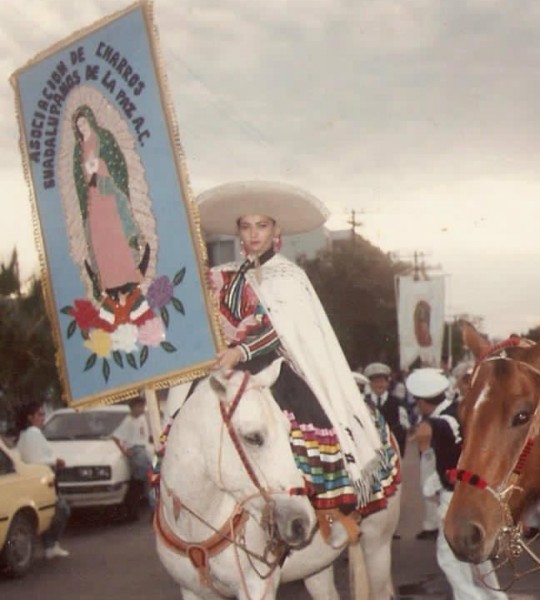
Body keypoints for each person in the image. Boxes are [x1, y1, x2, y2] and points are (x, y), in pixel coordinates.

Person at [197, 181, 399, 543]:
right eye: (246, 226)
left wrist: (240, 351)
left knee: (308, 418)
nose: (253, 234)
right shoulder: (224, 276)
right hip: (234, 370)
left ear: (276, 230)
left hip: (281, 366)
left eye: (261, 226)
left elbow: (281, 329)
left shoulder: (289, 276)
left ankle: (329, 510)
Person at [408, 368, 507, 600]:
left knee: (450, 559)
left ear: (423, 402)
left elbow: (435, 464)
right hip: (474, 493)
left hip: (453, 498)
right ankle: (497, 598)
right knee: (478, 558)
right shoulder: (459, 410)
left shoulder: (438, 423)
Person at [72, 104, 149, 301]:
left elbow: (117, 163)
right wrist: (88, 173)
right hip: (93, 197)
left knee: (116, 236)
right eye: (78, 125)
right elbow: (79, 177)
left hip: (108, 193)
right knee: (100, 239)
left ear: (89, 120)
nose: (82, 127)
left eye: (83, 122)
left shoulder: (103, 138)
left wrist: (99, 168)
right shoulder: (78, 148)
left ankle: (127, 276)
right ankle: (108, 282)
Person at [15, 401, 70, 559]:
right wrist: (56, 461)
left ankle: (50, 546)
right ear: (30, 417)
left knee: (49, 511)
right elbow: (37, 459)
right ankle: (52, 544)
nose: (43, 417)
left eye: (43, 414)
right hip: (41, 478)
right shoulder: (33, 433)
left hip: (32, 479)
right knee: (61, 510)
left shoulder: (24, 434)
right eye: (39, 414)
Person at [112, 396, 153, 514]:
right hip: (136, 451)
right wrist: (124, 451)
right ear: (133, 407)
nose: (141, 409)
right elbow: (115, 437)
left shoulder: (142, 418)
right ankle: (152, 508)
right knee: (150, 476)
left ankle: (134, 507)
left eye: (143, 407)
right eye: (139, 407)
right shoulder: (128, 421)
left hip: (143, 450)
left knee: (140, 481)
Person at [363, 362, 410, 456]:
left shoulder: (396, 403)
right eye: (376, 381)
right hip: (370, 449)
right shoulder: (364, 402)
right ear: (370, 384)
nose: (379, 385)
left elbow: (403, 429)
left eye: (382, 381)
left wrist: (399, 452)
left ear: (388, 383)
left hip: (391, 450)